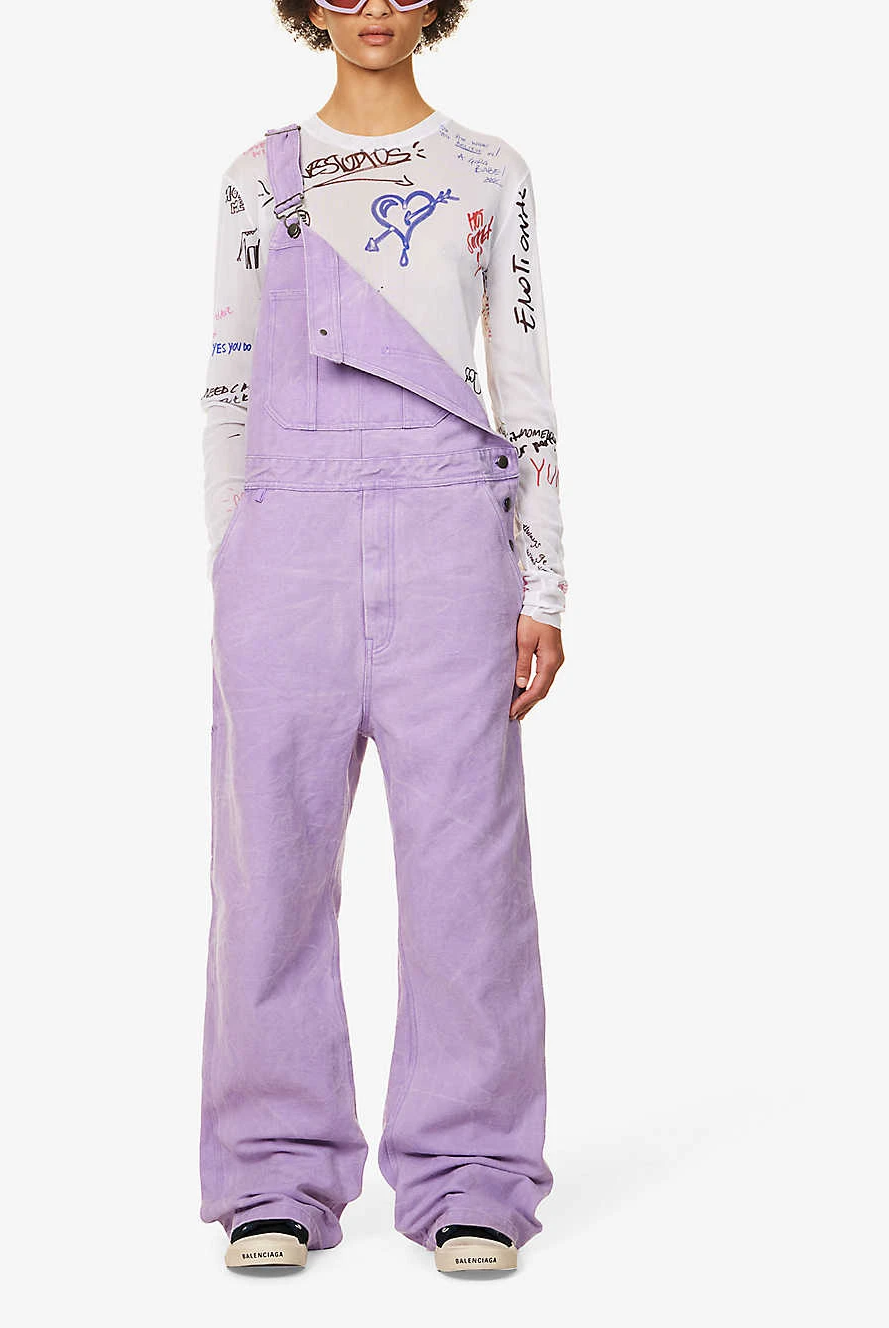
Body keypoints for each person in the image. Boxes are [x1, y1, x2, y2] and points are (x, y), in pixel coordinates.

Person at [198, 0, 567, 1275]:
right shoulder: (260, 176)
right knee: (270, 871)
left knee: (469, 872)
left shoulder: (487, 171)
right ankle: (273, 1170)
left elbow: (522, 377)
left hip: (452, 543)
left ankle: (474, 1172)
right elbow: (227, 385)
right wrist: (233, 556)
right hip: (283, 550)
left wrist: (547, 581)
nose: (372, 8)